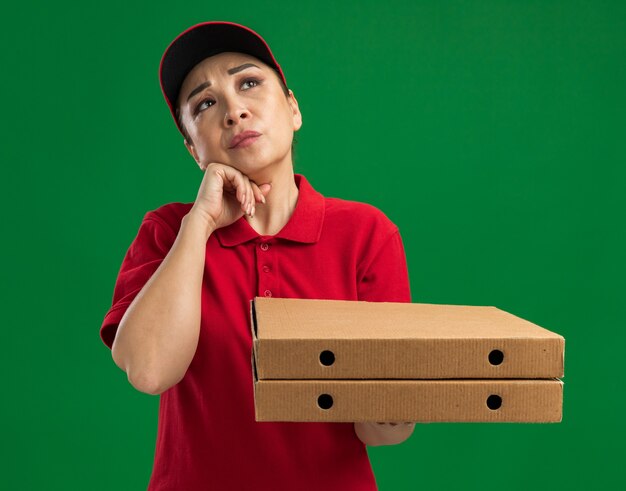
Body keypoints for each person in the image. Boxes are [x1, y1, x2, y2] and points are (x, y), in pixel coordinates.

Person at [100, 21, 416, 490]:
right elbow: (148, 371)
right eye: (205, 104)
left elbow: (379, 431)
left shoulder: (366, 234)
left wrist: (398, 402)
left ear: (293, 109)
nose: (233, 110)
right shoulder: (168, 232)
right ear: (192, 149)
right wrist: (201, 223)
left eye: (249, 82)